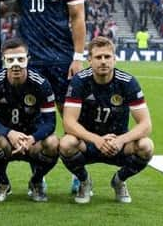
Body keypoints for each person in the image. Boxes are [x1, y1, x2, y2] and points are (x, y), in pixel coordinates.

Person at [9, 0, 86, 193]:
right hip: (30, 61)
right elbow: (5, 5)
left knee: (70, 119)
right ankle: (38, 177)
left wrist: (78, 56)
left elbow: (77, 18)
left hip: (61, 59)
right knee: (33, 118)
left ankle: (78, 174)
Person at [60, 36, 154, 204]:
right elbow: (68, 122)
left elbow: (146, 124)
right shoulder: (79, 81)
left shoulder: (128, 82)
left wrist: (120, 140)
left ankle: (119, 181)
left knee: (146, 146)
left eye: (107, 57)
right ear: (89, 60)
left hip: (118, 144)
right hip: (88, 143)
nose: (103, 61)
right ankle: (84, 181)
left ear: (115, 59)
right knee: (66, 143)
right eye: (98, 57)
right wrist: (96, 140)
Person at [0, 38, 58, 203]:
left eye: (20, 59)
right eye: (10, 60)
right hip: (6, 140)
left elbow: (50, 122)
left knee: (53, 143)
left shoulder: (42, 84)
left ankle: (36, 181)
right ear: (3, 60)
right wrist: (9, 133)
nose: (16, 64)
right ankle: (2, 182)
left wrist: (33, 138)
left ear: (28, 59)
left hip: (33, 141)